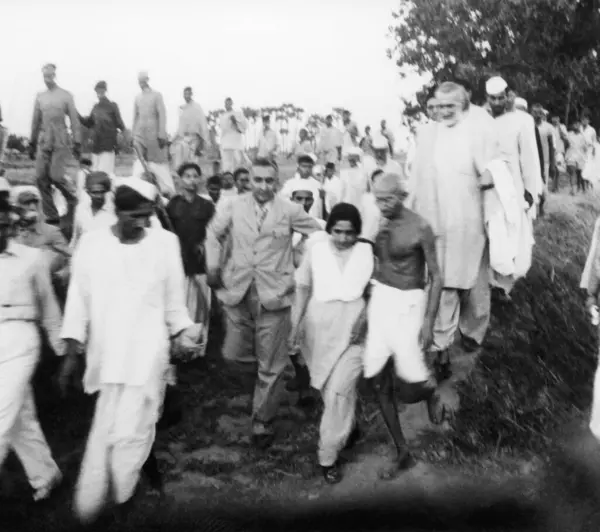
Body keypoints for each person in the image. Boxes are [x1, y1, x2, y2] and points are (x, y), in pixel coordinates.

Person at [58, 178, 203, 523]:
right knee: (108, 424)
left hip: (149, 351)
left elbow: (173, 304)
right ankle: (104, 492)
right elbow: (77, 301)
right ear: (116, 211)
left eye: (147, 215)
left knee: (132, 428)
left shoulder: (165, 244)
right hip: (106, 354)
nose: (142, 223)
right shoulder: (92, 245)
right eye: (134, 216)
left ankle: (122, 495)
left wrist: (184, 334)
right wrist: (70, 355)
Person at [205, 160, 322, 448]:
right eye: (258, 180)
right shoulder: (233, 205)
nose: (263, 186)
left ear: (278, 183)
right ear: (249, 180)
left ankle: (262, 421)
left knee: (271, 363)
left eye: (270, 181)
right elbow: (213, 234)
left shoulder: (289, 209)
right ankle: (264, 383)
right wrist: (212, 266)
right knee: (233, 355)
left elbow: (320, 231)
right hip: (237, 290)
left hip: (275, 294)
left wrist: (297, 255)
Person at [411, 81, 496, 388]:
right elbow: (415, 177)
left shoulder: (478, 130)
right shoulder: (426, 134)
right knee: (441, 284)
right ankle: (442, 350)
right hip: (435, 223)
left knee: (474, 285)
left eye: (452, 106)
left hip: (470, 223)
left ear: (465, 105)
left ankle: (473, 334)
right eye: (440, 105)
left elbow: (494, 170)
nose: (445, 111)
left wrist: (491, 183)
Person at [364, 172, 443, 478]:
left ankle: (431, 392)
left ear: (402, 195)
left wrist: (429, 322)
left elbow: (438, 277)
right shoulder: (379, 222)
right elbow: (376, 265)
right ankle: (403, 452)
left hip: (409, 303)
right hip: (381, 300)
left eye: (387, 199)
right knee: (379, 382)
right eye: (377, 199)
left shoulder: (421, 226)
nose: (381, 204)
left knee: (410, 387)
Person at [290, 203, 373, 484]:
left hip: (355, 330)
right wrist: (295, 325)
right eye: (337, 231)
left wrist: (365, 319)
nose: (342, 238)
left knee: (338, 390)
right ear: (329, 230)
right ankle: (349, 428)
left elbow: (377, 290)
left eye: (349, 233)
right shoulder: (316, 249)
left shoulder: (367, 252)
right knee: (332, 393)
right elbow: (302, 287)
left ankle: (327, 457)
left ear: (357, 232)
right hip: (318, 329)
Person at [0, 192, 64, 502]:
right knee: (19, 417)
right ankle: (46, 474)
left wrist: (63, 350)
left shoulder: (31, 258)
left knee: (1, 412)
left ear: (10, 226)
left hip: (21, 336)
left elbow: (49, 306)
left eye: (2, 225)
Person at [167, 163, 216, 360]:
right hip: (179, 263)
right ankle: (180, 347)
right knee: (180, 306)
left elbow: (214, 232)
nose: (191, 180)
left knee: (201, 308)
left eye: (195, 176)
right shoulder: (172, 205)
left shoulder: (206, 206)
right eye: (187, 176)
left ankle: (198, 347)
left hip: (199, 264)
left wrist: (205, 245)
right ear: (179, 179)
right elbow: (166, 232)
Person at [29, 63, 80, 225]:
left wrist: (77, 142)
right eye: (45, 76)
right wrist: (32, 142)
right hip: (44, 140)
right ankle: (52, 215)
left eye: (50, 76)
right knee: (40, 178)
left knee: (56, 176)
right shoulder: (40, 96)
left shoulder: (66, 95)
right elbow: (35, 121)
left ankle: (72, 198)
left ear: (55, 76)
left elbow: (74, 120)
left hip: (61, 139)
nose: (48, 79)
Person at [10, 186, 71, 284]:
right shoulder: (11, 233)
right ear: (17, 208)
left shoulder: (50, 231)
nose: (32, 207)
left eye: (35, 203)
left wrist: (61, 275)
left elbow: (71, 258)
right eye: (26, 203)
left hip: (47, 285)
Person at [132, 71, 173, 198]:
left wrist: (161, 134)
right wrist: (133, 135)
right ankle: (139, 194)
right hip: (140, 134)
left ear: (147, 80)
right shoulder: (137, 97)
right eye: (139, 81)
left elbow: (162, 114)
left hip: (155, 136)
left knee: (159, 165)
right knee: (140, 165)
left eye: (143, 80)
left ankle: (168, 193)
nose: (141, 83)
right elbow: (135, 117)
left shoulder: (156, 95)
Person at [79, 81, 127, 174]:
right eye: (97, 90)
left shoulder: (113, 106)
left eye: (101, 90)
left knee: (105, 174)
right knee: (94, 174)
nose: (99, 92)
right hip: (96, 146)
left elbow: (120, 124)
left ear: (105, 91)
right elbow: (88, 123)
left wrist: (126, 139)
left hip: (108, 145)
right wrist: (76, 114)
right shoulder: (95, 107)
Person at [70, 171, 116, 251]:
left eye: (102, 192)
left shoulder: (113, 212)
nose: (99, 196)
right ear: (88, 192)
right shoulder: (81, 209)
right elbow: (76, 237)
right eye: (95, 193)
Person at [170, 87, 209, 171]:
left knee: (192, 163)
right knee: (180, 163)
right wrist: (171, 140)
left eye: (188, 94)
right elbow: (180, 127)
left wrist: (202, 142)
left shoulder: (197, 107)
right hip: (183, 138)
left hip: (194, 138)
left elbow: (203, 124)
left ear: (191, 94)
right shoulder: (182, 108)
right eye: (185, 94)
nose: (186, 96)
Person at [279, 154, 324, 219]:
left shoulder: (318, 185)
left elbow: (320, 207)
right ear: (298, 167)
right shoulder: (290, 184)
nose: (307, 169)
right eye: (304, 166)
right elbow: (283, 204)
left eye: (309, 167)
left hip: (314, 220)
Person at [219, 98, 249, 173]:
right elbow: (223, 131)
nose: (227, 105)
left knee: (237, 164)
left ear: (232, 103)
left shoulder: (238, 113)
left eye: (229, 103)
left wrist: (235, 121)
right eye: (226, 103)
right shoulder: (223, 116)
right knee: (226, 166)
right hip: (226, 144)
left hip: (236, 144)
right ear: (224, 104)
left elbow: (243, 127)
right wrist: (221, 144)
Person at [566, 121, 587, 194]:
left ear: (580, 126)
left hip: (580, 156)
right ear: (572, 126)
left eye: (578, 125)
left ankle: (581, 187)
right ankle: (574, 189)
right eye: (575, 124)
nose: (576, 126)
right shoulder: (569, 134)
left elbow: (585, 148)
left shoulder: (583, 136)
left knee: (580, 173)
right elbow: (566, 143)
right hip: (571, 155)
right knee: (572, 171)